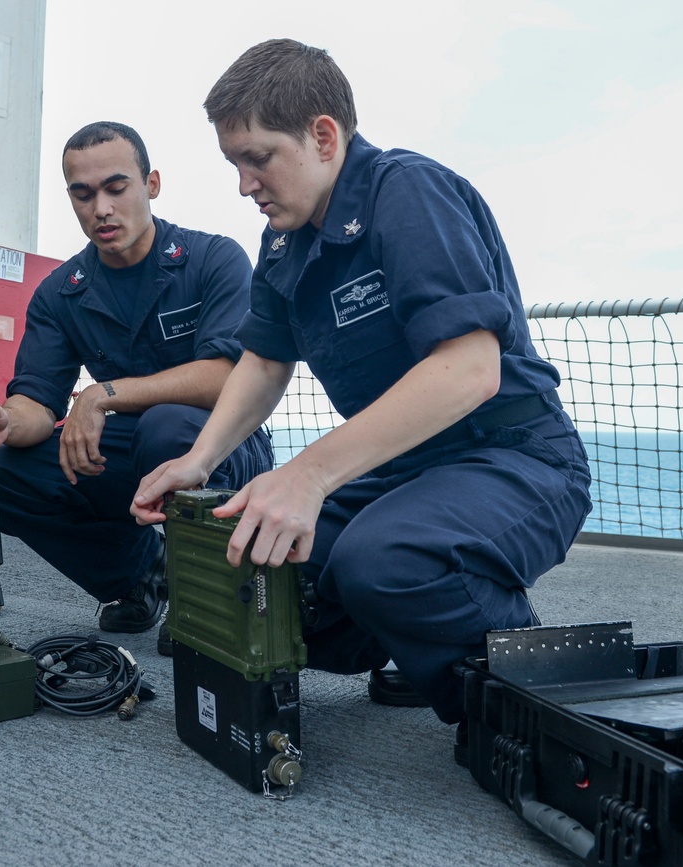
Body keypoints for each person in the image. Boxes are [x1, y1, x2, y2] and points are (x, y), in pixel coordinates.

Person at [132, 39, 592, 722]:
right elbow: (263, 360)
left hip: (513, 457)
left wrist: (309, 476)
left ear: (323, 136)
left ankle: (527, 670)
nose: (244, 184)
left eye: (258, 159)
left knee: (383, 563)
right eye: (234, 164)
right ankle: (420, 638)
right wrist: (199, 461)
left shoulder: (407, 193)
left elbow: (470, 369)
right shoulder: (284, 239)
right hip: (406, 471)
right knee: (262, 571)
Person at [0, 122, 273, 644]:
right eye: (83, 194)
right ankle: (137, 578)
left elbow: (228, 378)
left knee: (168, 428)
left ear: (151, 184)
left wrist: (102, 394)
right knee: (0, 475)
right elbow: (36, 398)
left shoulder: (214, 259)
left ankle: (208, 596)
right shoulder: (60, 293)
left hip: (225, 446)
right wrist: (6, 422)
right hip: (133, 448)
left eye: (115, 188)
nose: (100, 208)